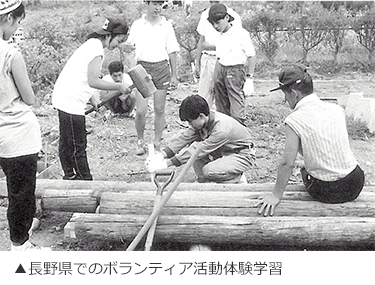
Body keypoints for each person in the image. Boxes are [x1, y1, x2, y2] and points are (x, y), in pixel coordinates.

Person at [257, 64, 365, 217]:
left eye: (285, 95)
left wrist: (275, 195)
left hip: (328, 190)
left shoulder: (294, 120)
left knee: (304, 170)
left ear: (294, 94)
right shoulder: (336, 109)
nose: (285, 99)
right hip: (355, 183)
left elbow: (287, 163)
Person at [52, 18, 130, 180]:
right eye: (119, 40)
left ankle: (69, 175)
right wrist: (119, 86)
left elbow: (83, 75)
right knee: (77, 144)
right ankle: (84, 180)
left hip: (64, 96)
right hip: (71, 100)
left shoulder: (92, 44)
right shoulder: (96, 50)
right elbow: (93, 80)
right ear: (109, 35)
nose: (117, 45)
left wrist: (93, 99)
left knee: (67, 141)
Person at [0, 0, 47, 251]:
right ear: (8, 18)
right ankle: (19, 245)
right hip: (16, 130)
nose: (16, 27)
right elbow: (29, 98)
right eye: (17, 22)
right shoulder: (10, 53)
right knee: (21, 193)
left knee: (13, 188)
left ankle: (22, 229)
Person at [148, 95, 256, 184]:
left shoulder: (221, 130)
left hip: (242, 155)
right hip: (224, 151)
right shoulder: (205, 120)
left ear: (201, 116)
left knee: (208, 170)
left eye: (190, 121)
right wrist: (162, 155)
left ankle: (236, 179)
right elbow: (185, 137)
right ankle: (203, 182)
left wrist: (167, 164)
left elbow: (199, 150)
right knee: (195, 147)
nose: (190, 124)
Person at [122, 0, 179, 155]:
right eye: (154, 3)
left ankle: (157, 142)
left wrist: (174, 75)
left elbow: (172, 50)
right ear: (146, 3)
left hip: (161, 67)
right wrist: (125, 49)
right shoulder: (138, 25)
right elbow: (128, 46)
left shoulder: (166, 25)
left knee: (159, 109)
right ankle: (140, 141)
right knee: (141, 110)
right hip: (142, 68)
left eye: (160, 4)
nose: (157, 7)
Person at [207, 3, 256, 125]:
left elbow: (251, 55)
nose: (215, 26)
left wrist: (250, 78)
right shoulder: (219, 35)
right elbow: (219, 57)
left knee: (236, 110)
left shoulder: (241, 33)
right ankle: (225, 136)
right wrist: (214, 79)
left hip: (235, 71)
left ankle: (239, 137)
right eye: (213, 24)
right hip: (220, 69)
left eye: (218, 22)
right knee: (221, 107)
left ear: (227, 18)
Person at [194, 0, 242, 109]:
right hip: (207, 58)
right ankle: (205, 124)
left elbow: (235, 42)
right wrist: (197, 63)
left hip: (226, 60)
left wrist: (214, 46)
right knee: (205, 96)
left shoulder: (233, 16)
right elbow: (202, 41)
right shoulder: (205, 15)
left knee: (224, 97)